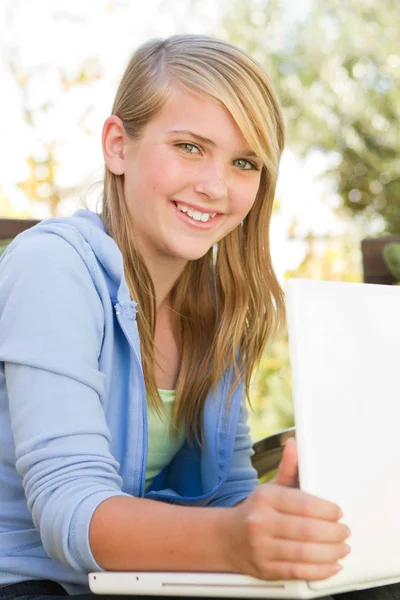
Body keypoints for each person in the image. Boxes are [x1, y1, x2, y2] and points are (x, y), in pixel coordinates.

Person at [0, 34, 390, 600]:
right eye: (189, 146)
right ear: (117, 145)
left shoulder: (220, 302)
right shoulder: (53, 265)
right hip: (31, 582)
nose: (215, 186)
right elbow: (69, 508)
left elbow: (226, 492)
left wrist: (286, 518)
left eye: (243, 162)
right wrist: (232, 539)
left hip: (132, 585)